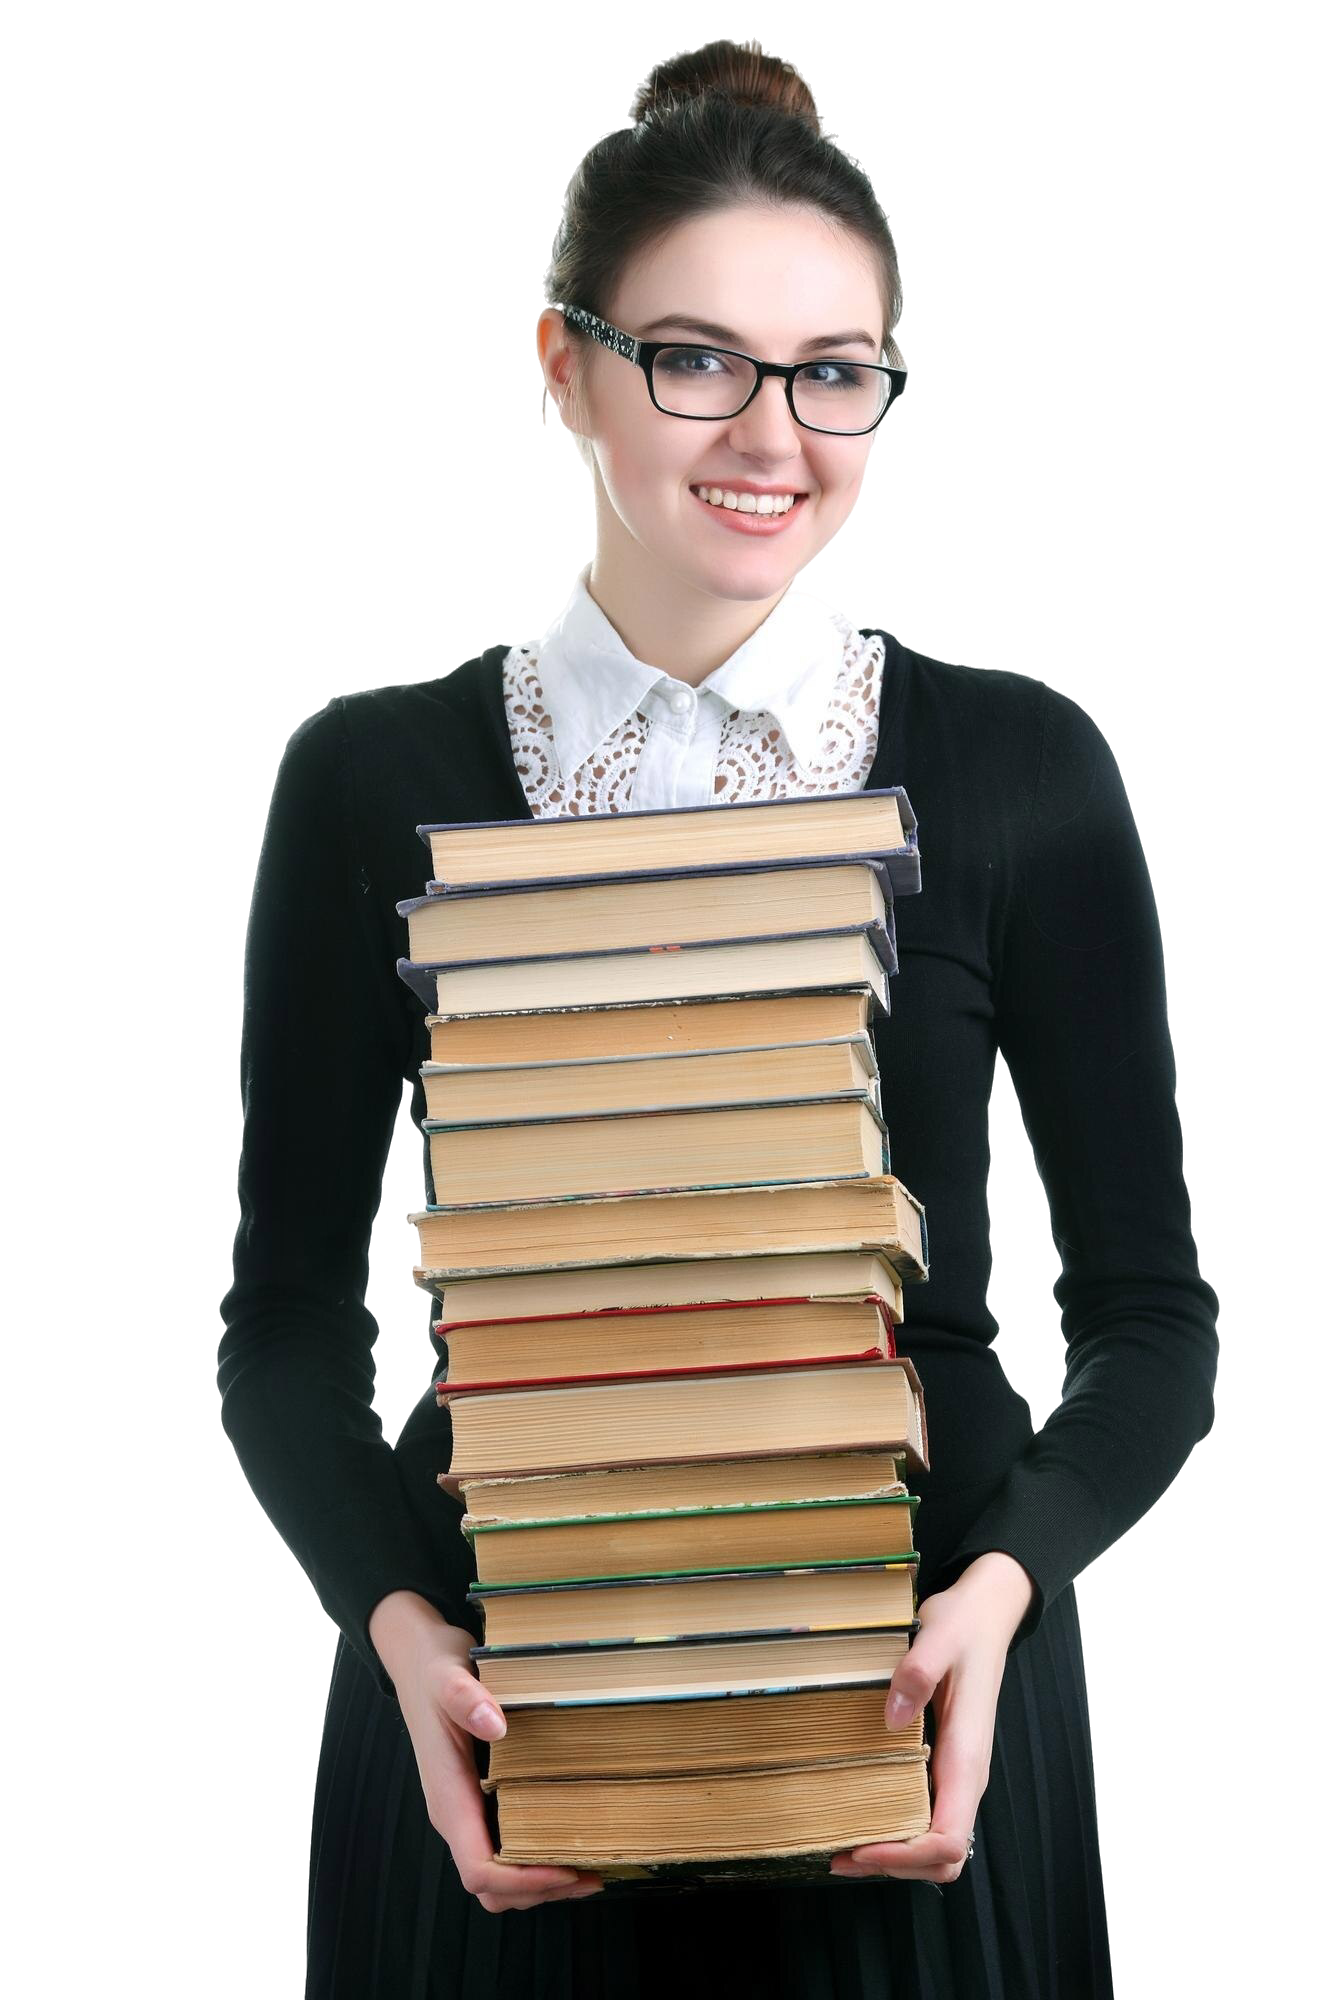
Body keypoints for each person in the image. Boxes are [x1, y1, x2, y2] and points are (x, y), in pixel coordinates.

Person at [212, 36, 1224, 1999]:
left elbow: (1152, 1315)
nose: (774, 432)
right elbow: (279, 1314)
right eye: (697, 357)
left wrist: (1003, 1594)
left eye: (836, 371)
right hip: (499, 1704)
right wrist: (397, 1627)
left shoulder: (1021, 767)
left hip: (926, 1703)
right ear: (556, 368)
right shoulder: (367, 773)